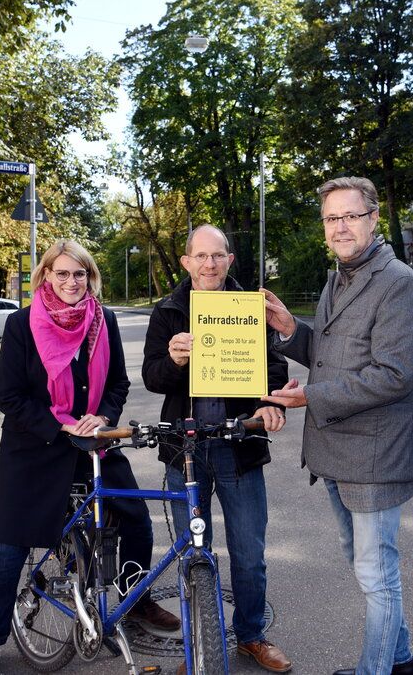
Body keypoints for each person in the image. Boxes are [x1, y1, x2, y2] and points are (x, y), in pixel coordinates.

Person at [0, 240, 179, 675]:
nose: (71, 282)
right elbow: (10, 398)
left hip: (93, 442)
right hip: (33, 447)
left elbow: (117, 383)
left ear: (90, 277)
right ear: (46, 276)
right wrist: (61, 424)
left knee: (135, 518)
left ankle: (134, 601)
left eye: (79, 274)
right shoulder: (22, 324)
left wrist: (102, 415)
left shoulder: (105, 320)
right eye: (61, 273)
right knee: (10, 546)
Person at [261, 177, 413, 675]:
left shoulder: (398, 282)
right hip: (337, 450)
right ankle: (398, 660)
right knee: (363, 562)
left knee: (376, 574)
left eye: (350, 216)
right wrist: (292, 332)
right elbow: (332, 353)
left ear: (374, 218)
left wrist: (310, 396)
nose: (340, 227)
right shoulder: (339, 277)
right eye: (331, 218)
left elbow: (393, 375)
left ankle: (375, 671)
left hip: (375, 456)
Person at [142, 224, 292, 673]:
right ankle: (200, 644)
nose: (210, 264)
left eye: (218, 256)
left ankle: (250, 636)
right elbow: (152, 377)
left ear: (229, 260)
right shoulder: (168, 311)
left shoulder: (251, 309)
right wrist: (172, 360)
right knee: (192, 552)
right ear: (186, 262)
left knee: (249, 553)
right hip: (184, 449)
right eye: (201, 256)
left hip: (238, 446)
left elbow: (275, 367)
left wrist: (270, 403)